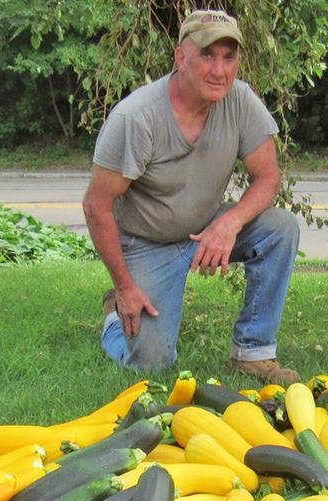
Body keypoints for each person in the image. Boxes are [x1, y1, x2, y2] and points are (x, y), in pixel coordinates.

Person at [82, 9, 301, 384]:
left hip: (204, 229)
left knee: (281, 227)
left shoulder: (240, 100)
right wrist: (125, 287)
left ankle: (253, 352)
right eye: (207, 55)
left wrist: (229, 224)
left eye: (228, 57)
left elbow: (267, 177)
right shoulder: (136, 118)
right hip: (146, 242)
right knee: (151, 365)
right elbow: (96, 205)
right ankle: (115, 317)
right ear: (181, 57)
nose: (219, 70)